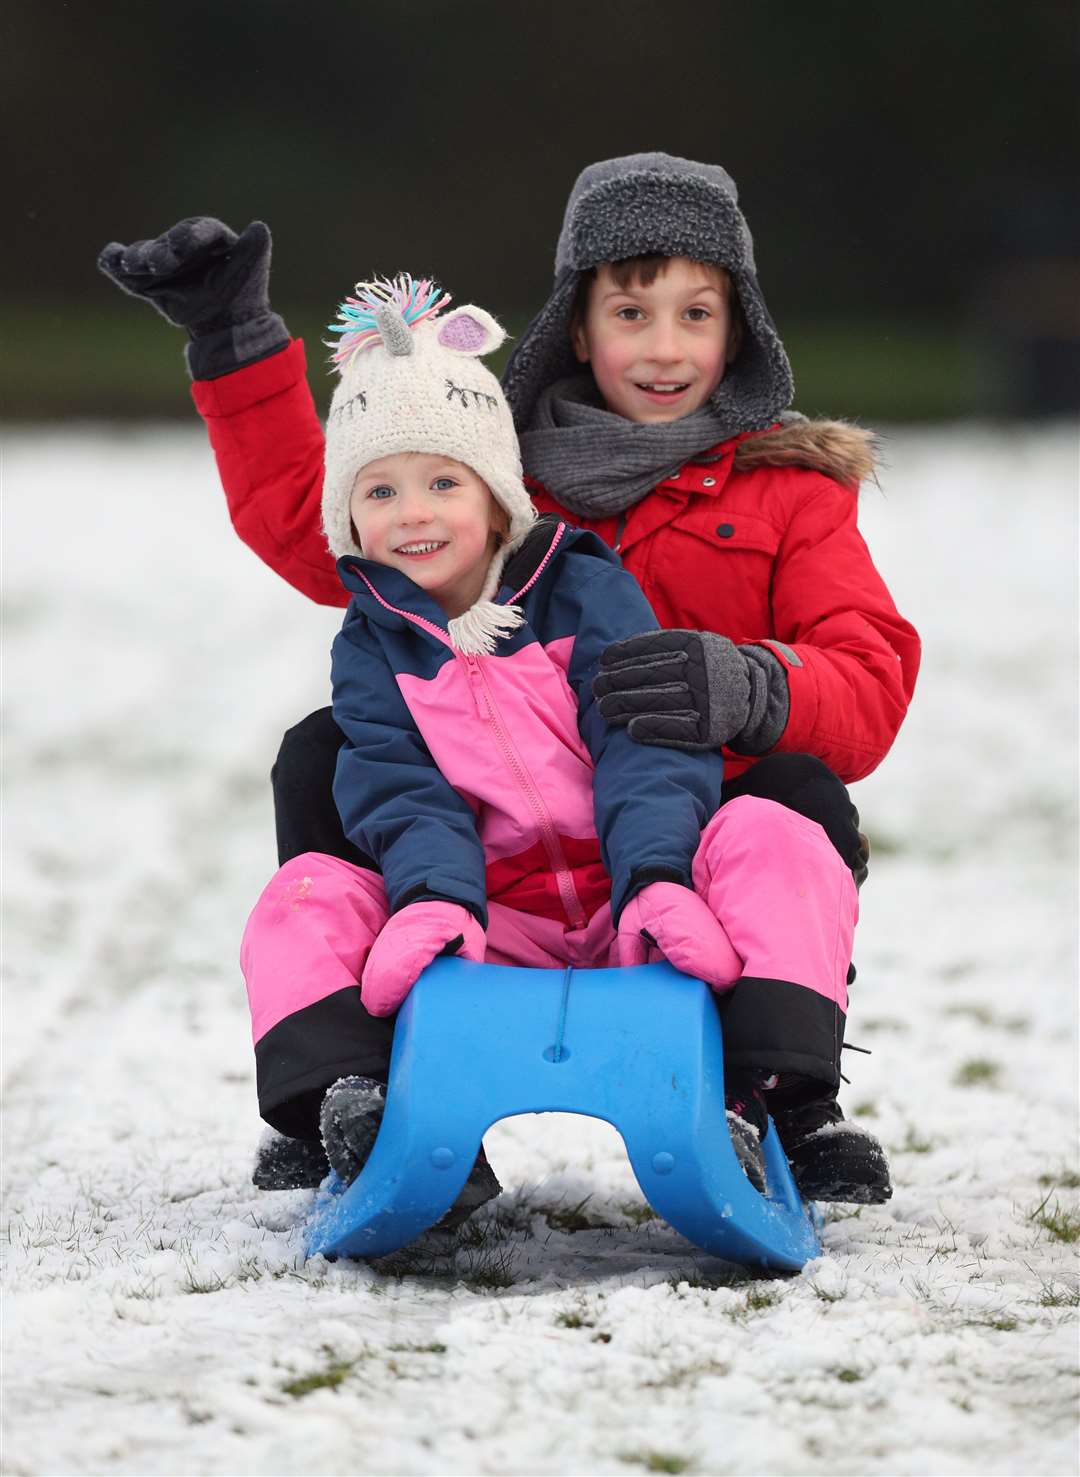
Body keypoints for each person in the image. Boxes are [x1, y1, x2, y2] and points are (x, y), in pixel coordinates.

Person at [99, 151, 919, 1203]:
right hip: (495, 821)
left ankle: (782, 1094)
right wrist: (235, 347)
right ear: (578, 327)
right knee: (324, 753)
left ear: (740, 330)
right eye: (631, 314)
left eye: (696, 315)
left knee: (799, 798)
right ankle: (356, 1088)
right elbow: (327, 521)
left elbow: (868, 672)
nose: (663, 348)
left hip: (693, 815)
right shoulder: (496, 472)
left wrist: (753, 683)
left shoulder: (789, 493)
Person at [238, 271, 865, 1215]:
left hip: (643, 887)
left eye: (444, 484)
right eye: (382, 491)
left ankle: (764, 1094)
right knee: (306, 890)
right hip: (492, 912)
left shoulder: (587, 583)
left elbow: (648, 741)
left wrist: (658, 871)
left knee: (784, 827)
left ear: (497, 499)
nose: (413, 513)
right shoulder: (375, 637)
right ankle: (355, 1102)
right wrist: (434, 899)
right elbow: (399, 783)